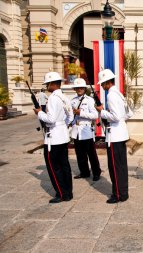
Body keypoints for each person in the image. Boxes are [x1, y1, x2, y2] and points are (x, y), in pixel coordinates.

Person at [33, 71, 74, 203]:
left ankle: (61, 194)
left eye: (47, 84)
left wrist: (39, 113)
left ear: (52, 84)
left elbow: (50, 119)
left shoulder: (52, 98)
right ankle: (68, 193)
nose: (46, 86)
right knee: (65, 166)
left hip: (53, 139)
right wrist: (63, 126)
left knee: (53, 167)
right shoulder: (65, 97)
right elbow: (70, 117)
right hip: (62, 136)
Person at [95, 69, 130, 204]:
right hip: (120, 134)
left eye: (102, 84)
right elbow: (128, 113)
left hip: (114, 136)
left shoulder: (111, 95)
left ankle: (118, 194)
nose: (102, 87)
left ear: (107, 83)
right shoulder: (119, 94)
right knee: (121, 166)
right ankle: (123, 193)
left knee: (115, 167)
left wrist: (102, 112)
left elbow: (115, 117)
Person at [70, 78, 102, 181]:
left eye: (81, 87)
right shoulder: (73, 101)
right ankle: (84, 172)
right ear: (75, 89)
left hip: (86, 130)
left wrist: (81, 113)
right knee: (80, 154)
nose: (79, 89)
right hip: (76, 130)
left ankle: (96, 172)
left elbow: (95, 115)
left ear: (84, 88)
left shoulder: (89, 100)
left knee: (91, 154)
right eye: (77, 88)